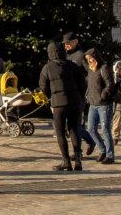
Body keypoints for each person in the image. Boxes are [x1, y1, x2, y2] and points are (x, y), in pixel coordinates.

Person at [39, 42, 86, 171]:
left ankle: (66, 161)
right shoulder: (72, 65)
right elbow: (83, 83)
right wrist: (80, 98)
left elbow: (43, 86)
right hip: (75, 102)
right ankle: (77, 161)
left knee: (60, 133)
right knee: (74, 130)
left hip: (58, 104)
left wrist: (51, 97)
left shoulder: (47, 67)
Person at [63, 32, 96, 154]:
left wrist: (84, 86)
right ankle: (89, 142)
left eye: (68, 43)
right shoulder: (65, 56)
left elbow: (90, 73)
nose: (66, 46)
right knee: (73, 124)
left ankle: (79, 151)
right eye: (65, 44)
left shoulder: (81, 55)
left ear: (75, 42)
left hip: (79, 95)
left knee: (74, 124)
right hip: (67, 93)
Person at [83, 49, 117, 164]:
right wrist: (87, 96)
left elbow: (110, 84)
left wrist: (103, 95)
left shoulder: (104, 68)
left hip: (104, 105)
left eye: (90, 58)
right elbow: (89, 85)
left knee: (105, 129)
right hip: (93, 104)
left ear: (96, 57)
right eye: (87, 59)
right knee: (91, 129)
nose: (89, 61)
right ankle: (102, 149)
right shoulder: (90, 69)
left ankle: (110, 155)